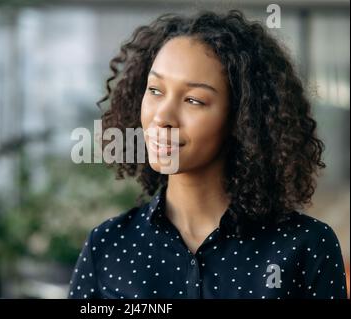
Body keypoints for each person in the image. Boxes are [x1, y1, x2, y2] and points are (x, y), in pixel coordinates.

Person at [68, 10, 348, 299]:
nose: (162, 116)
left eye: (193, 100)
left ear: (242, 118)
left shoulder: (305, 247)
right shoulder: (108, 246)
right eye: (155, 90)